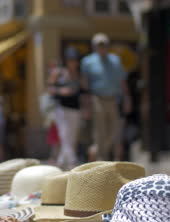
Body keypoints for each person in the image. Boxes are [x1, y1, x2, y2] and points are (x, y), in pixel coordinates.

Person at [81, 33, 131, 161]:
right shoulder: (88, 62)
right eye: (99, 45)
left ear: (108, 46)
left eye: (104, 45)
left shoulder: (115, 60)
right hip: (97, 99)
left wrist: (127, 98)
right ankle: (101, 160)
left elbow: (122, 81)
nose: (102, 47)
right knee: (100, 132)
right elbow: (85, 85)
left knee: (115, 131)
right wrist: (86, 105)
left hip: (113, 99)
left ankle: (115, 159)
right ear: (94, 47)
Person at [47, 47, 83, 169]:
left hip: (76, 108)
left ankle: (60, 163)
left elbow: (84, 91)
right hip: (61, 108)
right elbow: (50, 89)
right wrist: (62, 91)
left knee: (71, 137)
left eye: (75, 60)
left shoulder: (79, 74)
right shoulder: (58, 73)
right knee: (64, 135)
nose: (73, 62)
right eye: (70, 60)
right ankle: (73, 162)